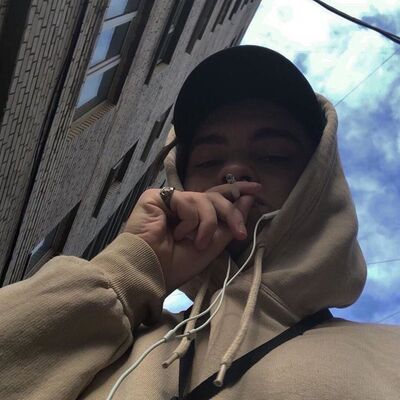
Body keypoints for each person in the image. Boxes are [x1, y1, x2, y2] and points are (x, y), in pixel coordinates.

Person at [0, 45, 399, 400]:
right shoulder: (103, 343)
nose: (234, 170)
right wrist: (129, 268)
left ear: (320, 180)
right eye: (208, 161)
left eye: (274, 155)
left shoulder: (388, 356)